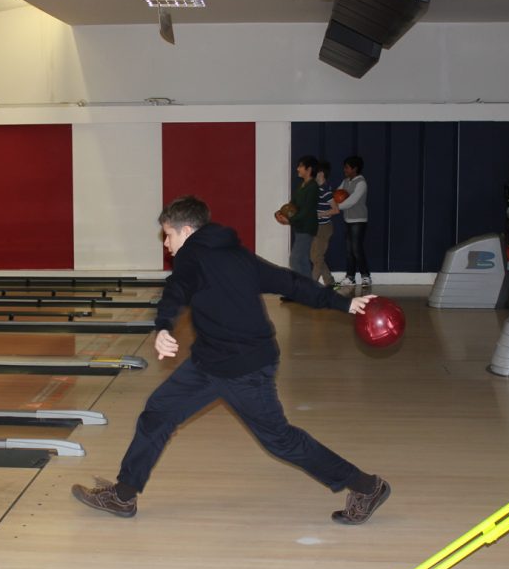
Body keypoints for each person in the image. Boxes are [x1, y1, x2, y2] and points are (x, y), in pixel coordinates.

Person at [71, 195, 390, 525]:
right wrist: (341, 304)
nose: (166, 243)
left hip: (244, 369)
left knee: (281, 440)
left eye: (168, 234)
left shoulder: (192, 256)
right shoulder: (235, 253)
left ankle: (367, 486)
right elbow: (288, 281)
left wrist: (163, 326)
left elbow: (175, 290)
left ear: (187, 230)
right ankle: (123, 496)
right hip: (209, 361)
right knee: (158, 414)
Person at [336, 156, 370, 288]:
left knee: (356, 249)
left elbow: (352, 201)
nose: (345, 170)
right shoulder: (345, 181)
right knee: (349, 250)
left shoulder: (361, 183)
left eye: (347, 167)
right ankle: (350, 277)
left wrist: (336, 208)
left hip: (359, 220)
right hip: (348, 220)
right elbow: (336, 195)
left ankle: (365, 276)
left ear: (355, 168)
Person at [311, 160, 337, 287]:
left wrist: (319, 214)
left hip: (324, 227)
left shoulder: (325, 190)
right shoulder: (317, 189)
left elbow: (335, 210)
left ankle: (311, 286)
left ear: (320, 173)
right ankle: (330, 282)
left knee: (317, 257)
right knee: (315, 257)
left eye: (314, 172)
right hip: (317, 227)